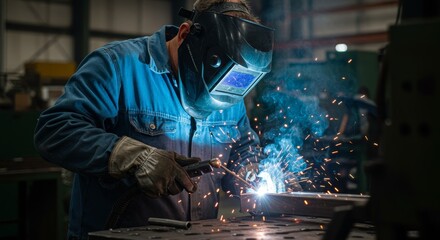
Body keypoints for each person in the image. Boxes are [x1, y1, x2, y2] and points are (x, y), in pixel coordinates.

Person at [33, 0, 274, 239]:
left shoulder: (231, 89)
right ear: (185, 35)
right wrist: (133, 158)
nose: (216, 98)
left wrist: (251, 171)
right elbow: (54, 129)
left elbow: (242, 146)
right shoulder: (118, 66)